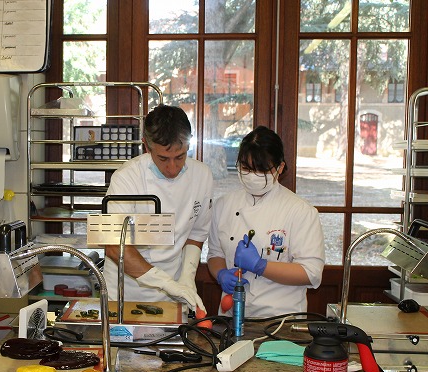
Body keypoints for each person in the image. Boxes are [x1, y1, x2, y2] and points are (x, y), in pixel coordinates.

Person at [102, 104, 214, 314]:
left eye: (180, 157)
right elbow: (114, 246)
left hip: (174, 290)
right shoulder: (126, 178)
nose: (172, 168)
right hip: (125, 291)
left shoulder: (202, 175)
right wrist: (165, 283)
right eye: (163, 159)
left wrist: (186, 278)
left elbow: (197, 233)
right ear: (146, 146)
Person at [207, 125, 325, 318]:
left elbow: (311, 273)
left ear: (280, 168)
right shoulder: (224, 205)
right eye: (246, 168)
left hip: (280, 319)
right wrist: (220, 274)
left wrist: (260, 265)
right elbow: (215, 254)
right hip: (231, 316)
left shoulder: (300, 211)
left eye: (261, 170)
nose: (253, 175)